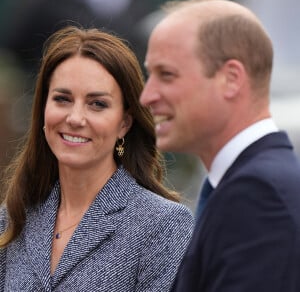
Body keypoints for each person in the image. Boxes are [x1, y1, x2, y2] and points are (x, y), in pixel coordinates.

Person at [0, 25, 194, 291]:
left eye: (97, 104)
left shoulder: (163, 225)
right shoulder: (14, 218)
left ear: (125, 122)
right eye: (62, 99)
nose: (75, 118)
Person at [140, 0, 300, 292]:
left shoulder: (256, 193)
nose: (147, 96)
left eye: (166, 75)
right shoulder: (250, 183)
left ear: (231, 79)